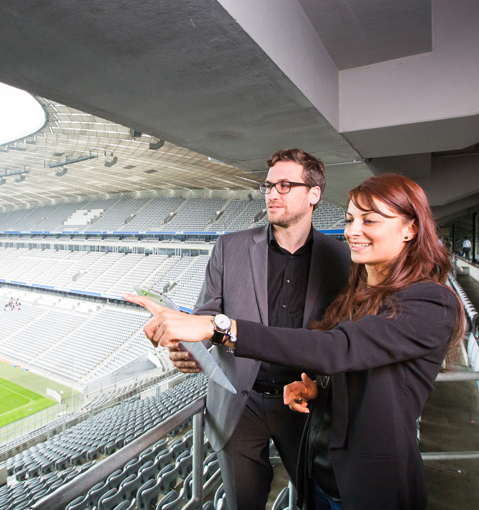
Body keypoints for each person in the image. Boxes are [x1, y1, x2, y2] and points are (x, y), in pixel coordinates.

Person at [126, 173, 464, 510]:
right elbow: (363, 369)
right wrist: (322, 391)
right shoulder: (358, 295)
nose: (353, 231)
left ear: (411, 228)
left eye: (370, 220)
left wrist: (219, 328)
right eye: (349, 220)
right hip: (318, 477)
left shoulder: (432, 303)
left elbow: (337, 349)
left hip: (368, 488)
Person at [145, 149, 351, 509]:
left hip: (305, 405)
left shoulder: (341, 259)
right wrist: (191, 352)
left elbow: (345, 337)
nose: (273, 193)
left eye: (286, 185)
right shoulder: (230, 247)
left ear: (314, 194)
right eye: (269, 185)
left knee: (316, 502)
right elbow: (206, 316)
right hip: (240, 404)